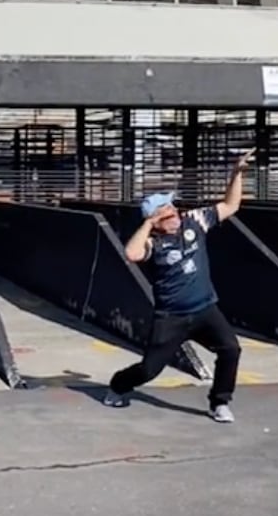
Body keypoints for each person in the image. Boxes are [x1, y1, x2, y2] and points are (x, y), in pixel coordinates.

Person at [104, 149, 255, 423]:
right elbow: (132, 253)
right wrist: (148, 224)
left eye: (173, 208)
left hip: (205, 309)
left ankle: (219, 402)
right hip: (171, 317)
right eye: (167, 212)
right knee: (149, 370)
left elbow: (230, 205)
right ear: (156, 221)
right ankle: (118, 385)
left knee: (230, 349)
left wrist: (236, 174)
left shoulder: (194, 221)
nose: (175, 213)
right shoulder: (152, 242)